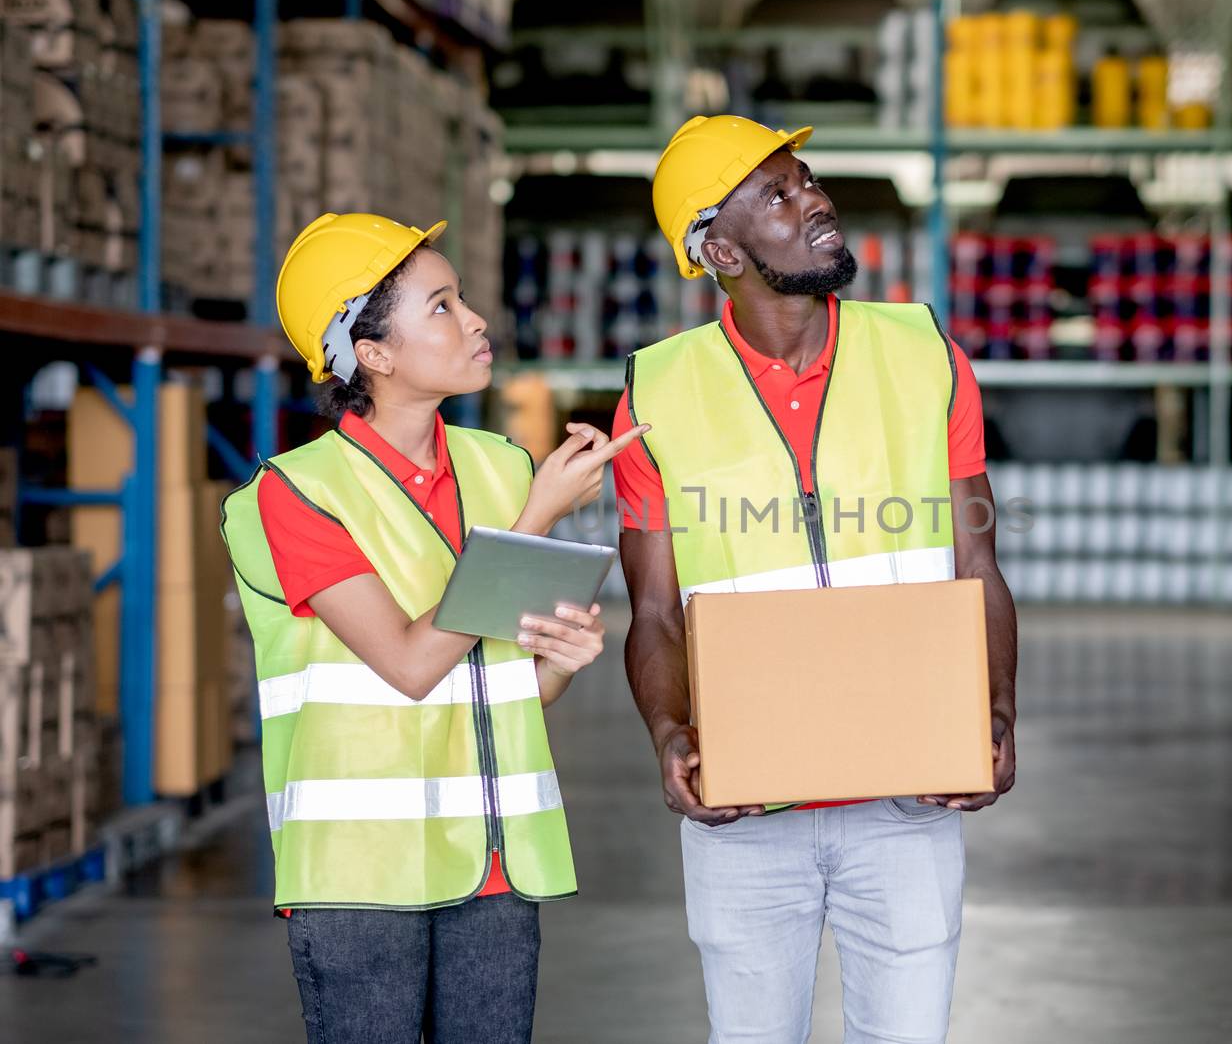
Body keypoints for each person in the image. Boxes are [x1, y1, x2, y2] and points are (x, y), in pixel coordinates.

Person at [611, 116, 1018, 1043]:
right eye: (778, 195)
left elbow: (977, 561)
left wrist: (994, 710)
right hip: (747, 811)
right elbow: (654, 610)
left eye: (809, 181)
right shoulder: (656, 392)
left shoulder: (924, 356)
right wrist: (672, 734)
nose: (815, 202)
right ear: (719, 249)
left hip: (909, 801)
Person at [221, 212, 645, 1044]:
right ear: (373, 354)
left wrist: (559, 662)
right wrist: (536, 518)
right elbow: (412, 664)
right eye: (442, 306)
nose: (475, 318)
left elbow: (506, 682)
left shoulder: (501, 464)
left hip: (496, 868)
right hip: (361, 880)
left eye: (462, 298)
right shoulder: (294, 495)